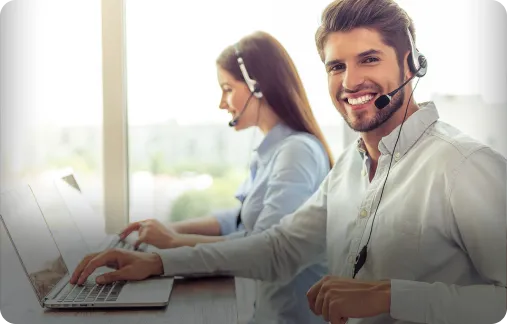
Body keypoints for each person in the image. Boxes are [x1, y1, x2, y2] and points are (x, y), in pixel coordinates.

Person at [70, 1, 507, 323]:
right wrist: (159, 262)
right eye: (337, 66)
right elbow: (278, 248)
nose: (351, 81)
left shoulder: (464, 167)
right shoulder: (348, 172)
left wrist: (393, 296)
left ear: (412, 64)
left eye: (368, 59)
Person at [118, 31, 333, 324]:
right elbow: (239, 219)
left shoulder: (297, 152)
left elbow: (263, 246)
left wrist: (171, 244)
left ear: (258, 87)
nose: (222, 102)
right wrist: (167, 229)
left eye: (228, 89)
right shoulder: (273, 150)